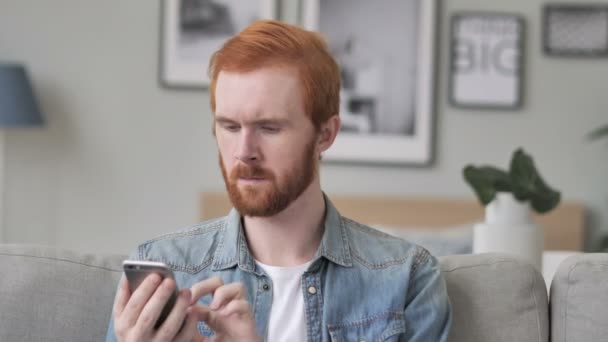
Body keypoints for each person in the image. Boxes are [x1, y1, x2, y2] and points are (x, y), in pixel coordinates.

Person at [106, 19, 451, 341]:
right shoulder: (166, 271)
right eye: (229, 126)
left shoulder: (407, 278)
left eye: (269, 128)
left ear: (325, 134)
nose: (244, 152)